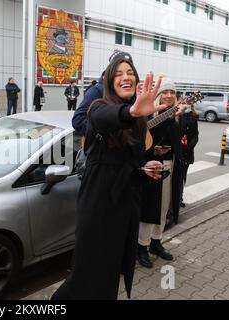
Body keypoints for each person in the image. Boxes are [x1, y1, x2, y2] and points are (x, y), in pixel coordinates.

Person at [52, 56, 167, 300]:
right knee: (88, 274)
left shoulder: (138, 121)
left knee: (110, 275)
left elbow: (126, 164)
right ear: (108, 81)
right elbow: (100, 118)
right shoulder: (99, 108)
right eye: (118, 74)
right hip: (98, 210)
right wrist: (132, 111)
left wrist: (143, 170)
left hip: (123, 210)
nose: (125, 77)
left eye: (129, 72)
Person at [138, 77, 186, 268]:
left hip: (171, 165)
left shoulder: (177, 114)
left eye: (172, 92)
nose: (168, 95)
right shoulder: (148, 116)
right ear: (158, 96)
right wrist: (153, 151)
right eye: (165, 92)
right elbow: (141, 140)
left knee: (164, 208)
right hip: (151, 168)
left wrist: (181, 117)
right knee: (149, 209)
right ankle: (142, 246)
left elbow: (184, 138)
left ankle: (156, 242)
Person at [72, 50, 134, 136]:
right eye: (118, 72)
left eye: (129, 72)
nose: (125, 77)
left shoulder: (131, 92)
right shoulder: (97, 91)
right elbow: (78, 120)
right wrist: (107, 133)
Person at [179, 104, 199, 208]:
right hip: (178, 150)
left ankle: (180, 198)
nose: (186, 108)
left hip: (187, 152)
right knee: (176, 175)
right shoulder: (178, 116)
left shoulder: (194, 119)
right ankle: (175, 197)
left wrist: (189, 146)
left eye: (188, 106)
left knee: (183, 176)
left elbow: (196, 135)